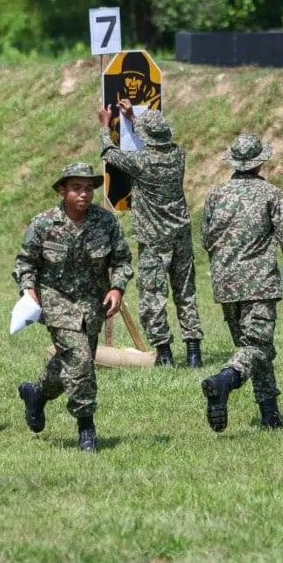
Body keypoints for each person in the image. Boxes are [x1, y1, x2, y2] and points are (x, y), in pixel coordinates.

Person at [14, 163, 133, 452]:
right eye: (77, 188)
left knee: (71, 362)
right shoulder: (43, 224)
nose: (84, 194)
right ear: (62, 190)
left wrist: (117, 288)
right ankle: (86, 427)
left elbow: (122, 259)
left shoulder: (105, 223)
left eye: (89, 188)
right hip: (57, 302)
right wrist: (28, 290)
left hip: (93, 306)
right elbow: (25, 262)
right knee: (80, 361)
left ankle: (38, 393)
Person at [199, 135, 283, 431]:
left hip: (226, 286)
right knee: (256, 346)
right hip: (259, 284)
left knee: (254, 347)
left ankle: (270, 416)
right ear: (261, 161)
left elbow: (206, 240)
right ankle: (223, 381)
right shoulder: (271, 194)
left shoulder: (215, 195)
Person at [97, 105, 204, 367]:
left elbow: (109, 153)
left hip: (154, 240)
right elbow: (153, 138)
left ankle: (165, 355)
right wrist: (135, 118)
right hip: (180, 235)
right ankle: (194, 354)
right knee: (185, 293)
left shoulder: (141, 161)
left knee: (153, 297)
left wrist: (104, 125)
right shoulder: (179, 154)